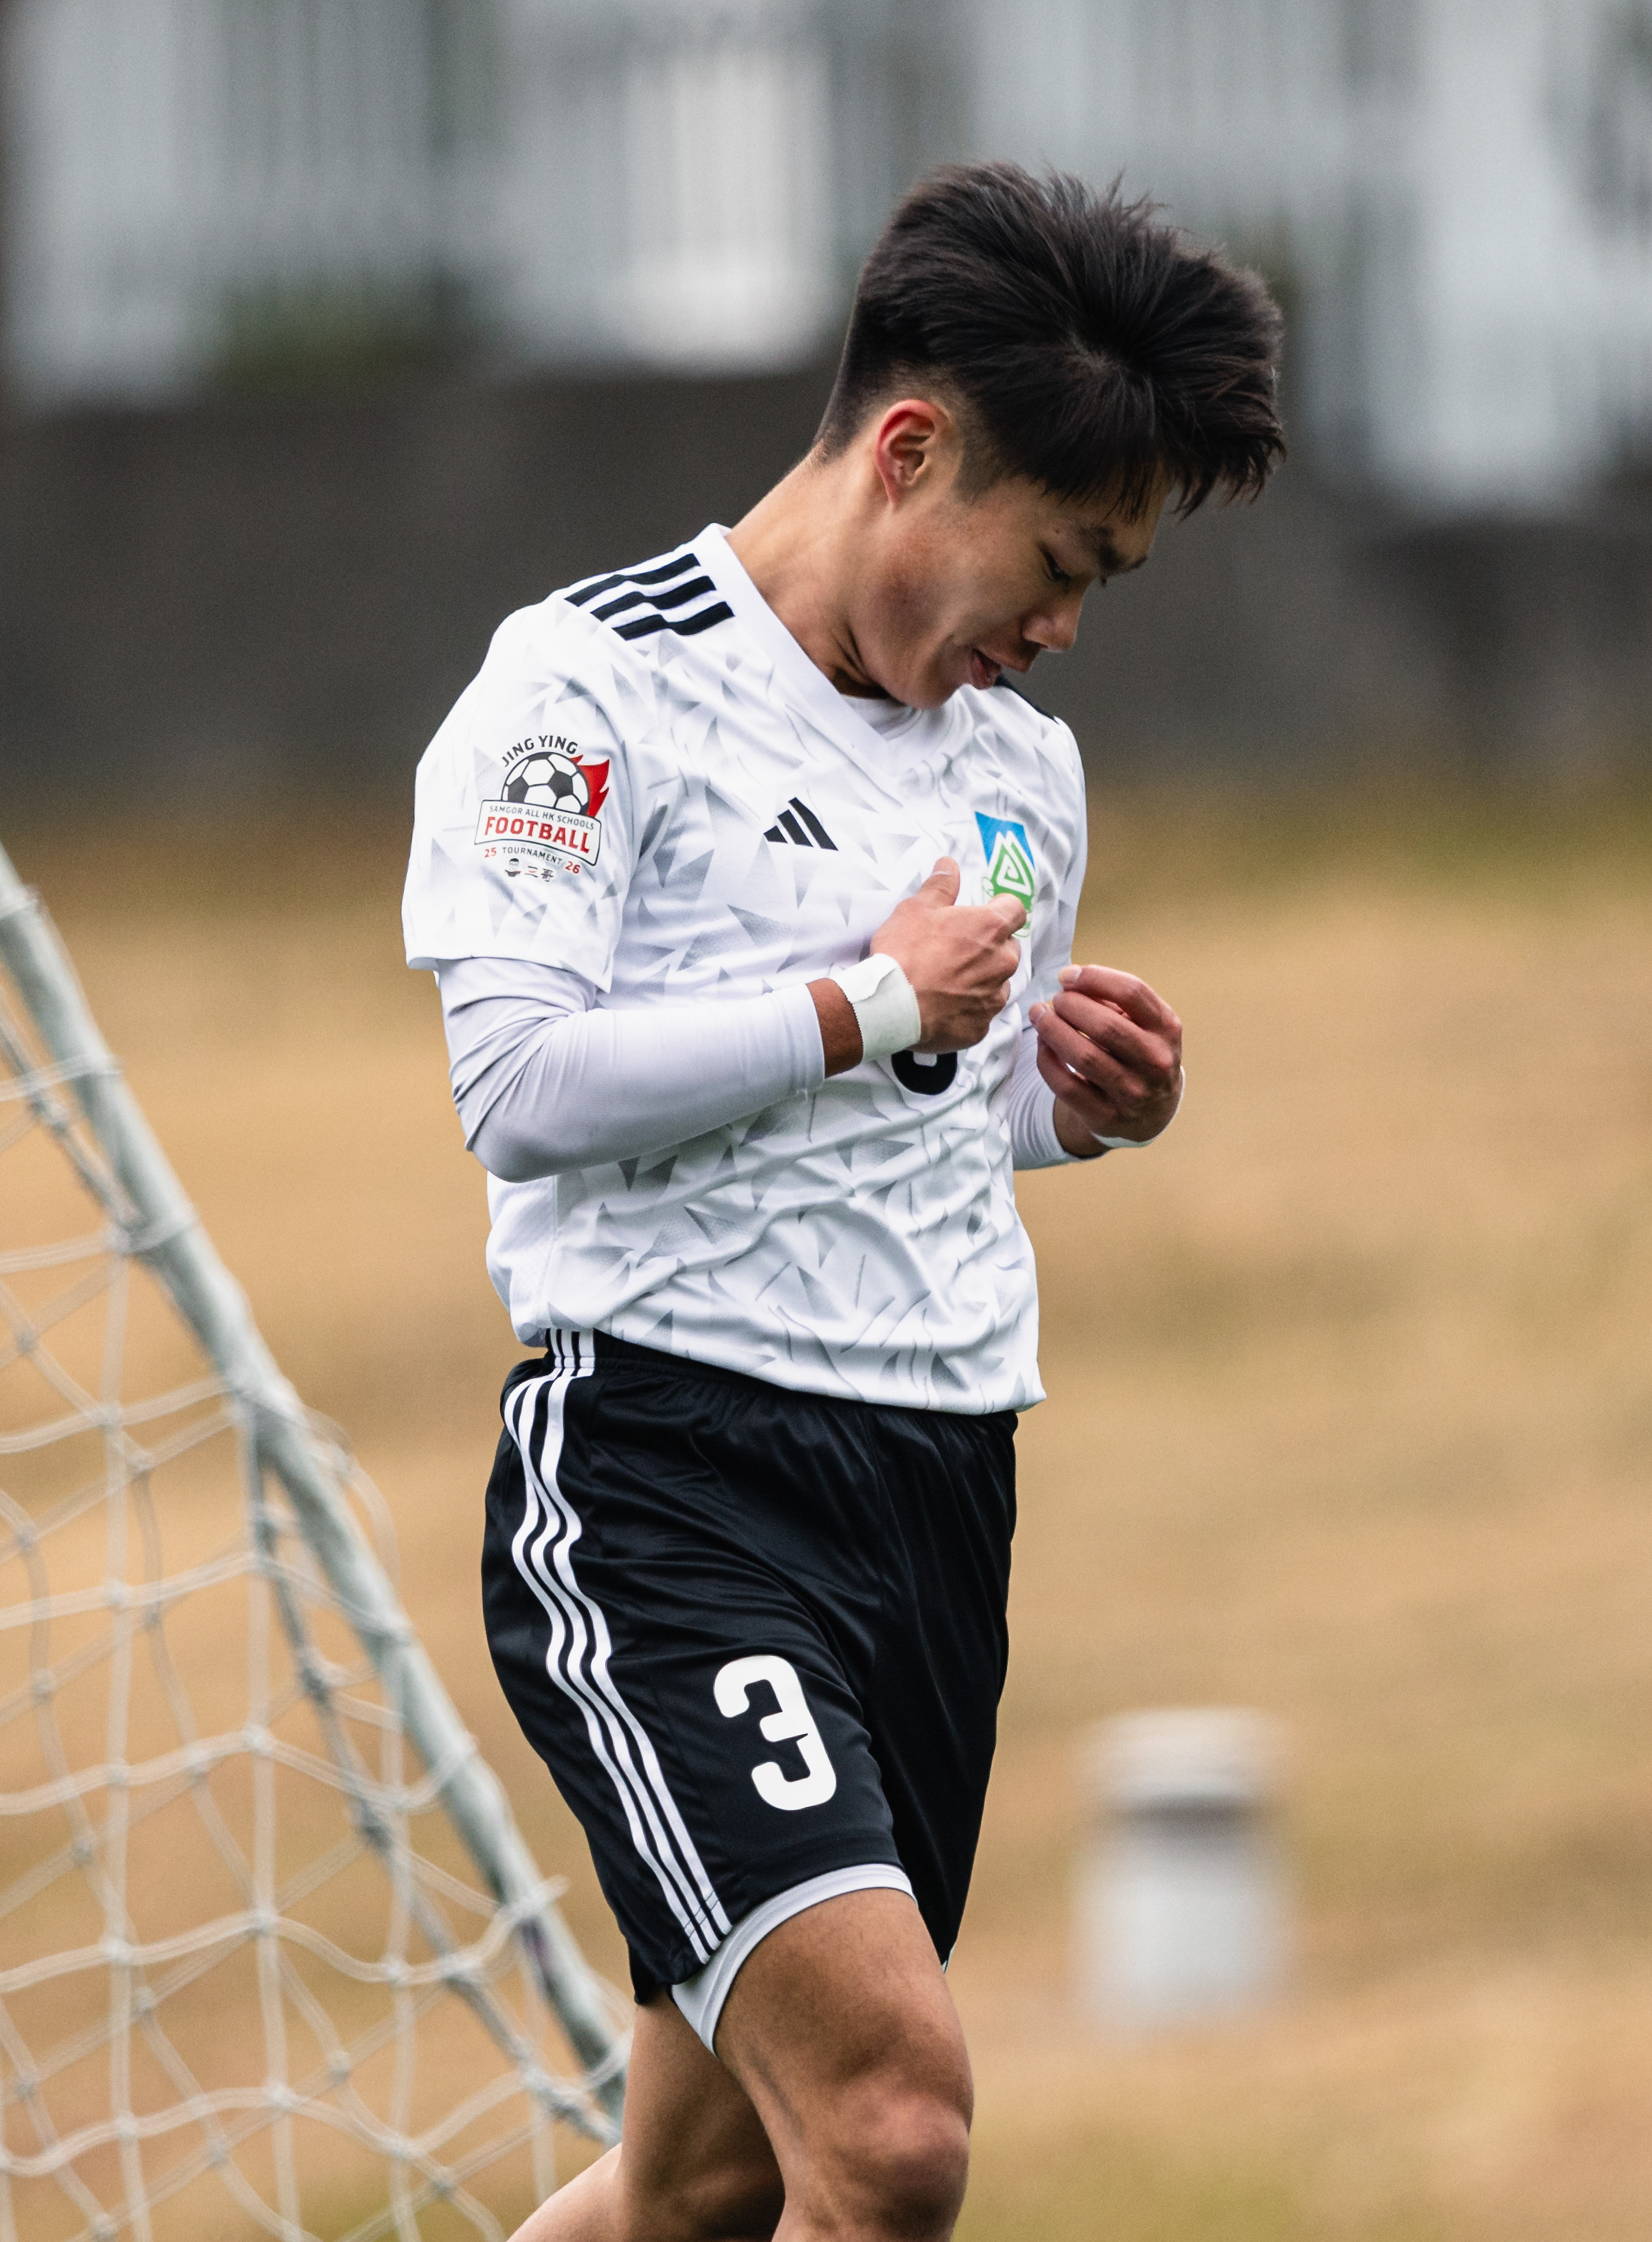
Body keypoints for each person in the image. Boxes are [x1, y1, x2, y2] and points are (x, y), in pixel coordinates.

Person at [402, 161, 1282, 2242]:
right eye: (1059, 560)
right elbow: (517, 1087)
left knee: (698, 2189)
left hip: (939, 1497)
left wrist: (1078, 1104)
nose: (1063, 628)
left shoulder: (1018, 768)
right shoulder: (591, 689)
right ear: (909, 453)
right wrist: (866, 998)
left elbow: (936, 1106)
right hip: (672, 1482)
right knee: (891, 2135)